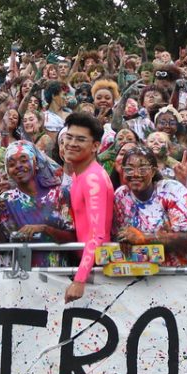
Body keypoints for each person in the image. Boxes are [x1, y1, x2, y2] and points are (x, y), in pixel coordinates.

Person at [0, 141, 73, 267]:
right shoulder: (5, 200)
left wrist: (44, 229)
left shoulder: (59, 194)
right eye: (11, 164)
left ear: (36, 163)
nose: (18, 166)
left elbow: (72, 237)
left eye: (23, 160)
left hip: (57, 273)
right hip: (20, 277)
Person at [112, 146, 187, 266]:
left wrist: (144, 238)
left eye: (143, 169)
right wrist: (124, 239)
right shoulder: (121, 196)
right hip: (138, 270)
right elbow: (119, 233)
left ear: (153, 171)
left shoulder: (172, 191)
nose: (135, 174)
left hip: (175, 272)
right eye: (129, 169)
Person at [61, 113, 115, 303]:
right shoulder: (79, 174)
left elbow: (97, 234)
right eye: (69, 137)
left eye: (80, 139)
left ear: (95, 146)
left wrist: (79, 279)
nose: (72, 143)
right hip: (88, 265)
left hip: (96, 271)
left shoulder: (93, 179)